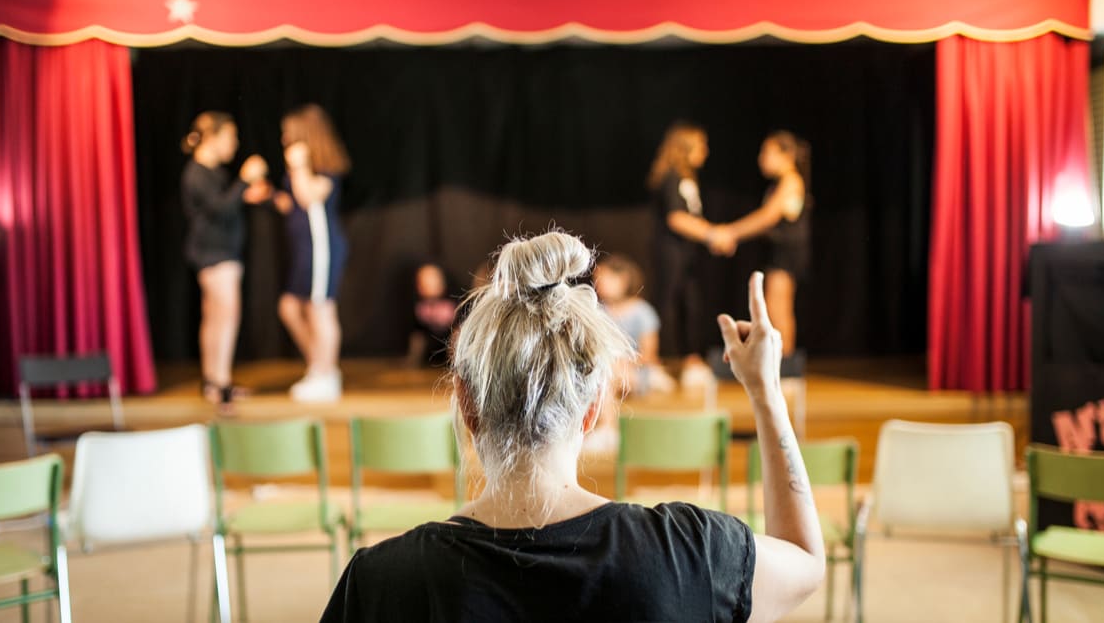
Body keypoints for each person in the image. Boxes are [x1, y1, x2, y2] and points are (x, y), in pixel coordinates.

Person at [320, 231, 825, 622]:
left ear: (467, 410)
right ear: (589, 412)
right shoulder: (687, 552)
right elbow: (805, 561)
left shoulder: (381, 582)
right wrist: (765, 392)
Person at [180, 111, 270, 406]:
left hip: (220, 252)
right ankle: (218, 384)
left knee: (216, 318)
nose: (235, 144)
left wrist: (245, 193)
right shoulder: (197, 173)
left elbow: (223, 205)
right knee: (224, 316)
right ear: (212, 137)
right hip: (214, 254)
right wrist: (244, 180)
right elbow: (219, 209)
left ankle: (216, 380)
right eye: (230, 137)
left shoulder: (212, 173)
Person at [271, 105, 351, 402]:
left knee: (320, 308)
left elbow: (308, 197)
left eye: (288, 133)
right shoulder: (301, 166)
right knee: (290, 307)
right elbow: (292, 203)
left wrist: (298, 166)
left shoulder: (323, 167)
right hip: (304, 249)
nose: (284, 139)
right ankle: (319, 366)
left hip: (322, 249)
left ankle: (326, 375)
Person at [707, 131, 812, 356]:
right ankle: (782, 363)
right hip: (780, 251)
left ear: (787, 155)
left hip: (788, 252)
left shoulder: (791, 180)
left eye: (767, 152)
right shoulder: (779, 183)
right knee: (774, 307)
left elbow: (767, 217)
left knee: (778, 308)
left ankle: (786, 365)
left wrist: (730, 232)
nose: (761, 158)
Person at [648, 121, 718, 390]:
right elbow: (677, 218)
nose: (705, 151)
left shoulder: (687, 178)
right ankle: (655, 362)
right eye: (701, 145)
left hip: (687, 254)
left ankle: (691, 360)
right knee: (667, 304)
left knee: (690, 303)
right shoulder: (672, 177)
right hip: (670, 252)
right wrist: (714, 234)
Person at [593, 254, 675, 395]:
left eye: (606, 279)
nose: (599, 283)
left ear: (624, 279)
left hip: (635, 370)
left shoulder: (642, 312)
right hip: (606, 369)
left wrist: (623, 364)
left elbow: (649, 355)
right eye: (597, 279)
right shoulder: (597, 311)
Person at [405, 263, 457, 368]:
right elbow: (416, 332)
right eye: (424, 282)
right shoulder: (418, 306)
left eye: (433, 281)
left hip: (449, 344)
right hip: (428, 351)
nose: (429, 285)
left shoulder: (453, 300)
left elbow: (459, 325)